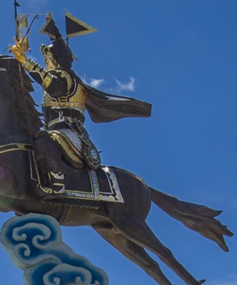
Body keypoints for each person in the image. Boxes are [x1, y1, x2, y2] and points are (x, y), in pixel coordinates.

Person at [10, 13, 150, 192]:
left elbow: (54, 87)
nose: (46, 63)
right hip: (60, 132)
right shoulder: (67, 78)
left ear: (54, 59)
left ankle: (58, 181)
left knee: (42, 139)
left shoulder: (65, 78)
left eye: (47, 59)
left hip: (68, 133)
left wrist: (25, 62)